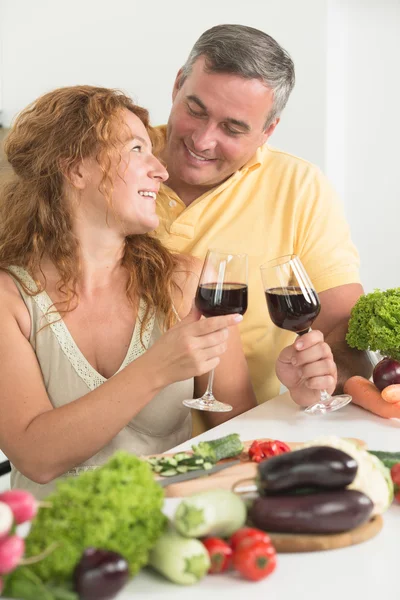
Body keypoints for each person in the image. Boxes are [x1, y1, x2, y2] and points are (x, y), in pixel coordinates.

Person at [0, 85, 258, 499]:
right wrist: (159, 367)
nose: (161, 170)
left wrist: (298, 396)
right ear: (76, 169)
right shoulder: (10, 298)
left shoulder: (186, 284)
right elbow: (35, 456)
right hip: (49, 548)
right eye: (137, 149)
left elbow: (241, 432)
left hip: (166, 532)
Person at [154, 24, 371, 433]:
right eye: (195, 110)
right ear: (178, 85)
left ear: (268, 130)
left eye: (233, 129)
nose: (202, 140)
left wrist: (316, 375)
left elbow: (345, 336)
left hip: (247, 437)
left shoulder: (299, 187)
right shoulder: (115, 163)